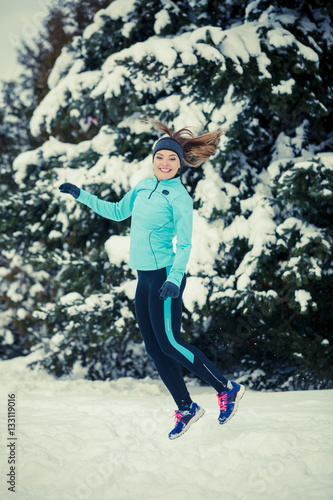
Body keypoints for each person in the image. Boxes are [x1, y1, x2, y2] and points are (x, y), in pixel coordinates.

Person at [59, 119, 245, 439]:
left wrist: (174, 279)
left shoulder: (179, 198)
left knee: (171, 342)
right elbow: (117, 211)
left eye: (172, 158)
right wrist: (81, 195)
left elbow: (185, 244)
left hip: (165, 279)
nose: (165, 162)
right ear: (154, 158)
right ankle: (186, 408)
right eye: (161, 156)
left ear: (180, 162)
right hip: (144, 279)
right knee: (155, 349)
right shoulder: (144, 186)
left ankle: (226, 388)